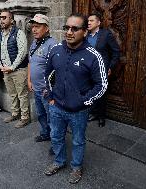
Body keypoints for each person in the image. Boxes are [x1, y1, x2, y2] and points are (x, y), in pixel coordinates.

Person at [43, 13, 107, 184]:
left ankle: (76, 167)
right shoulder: (56, 49)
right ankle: (59, 161)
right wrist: (50, 97)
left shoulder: (93, 55)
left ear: (85, 32)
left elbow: (101, 86)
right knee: (56, 136)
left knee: (78, 140)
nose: (69, 32)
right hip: (56, 107)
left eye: (75, 28)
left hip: (79, 111)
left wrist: (83, 102)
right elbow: (47, 74)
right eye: (66, 28)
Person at [0, 9, 30, 128]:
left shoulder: (19, 33)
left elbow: (22, 52)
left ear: (11, 19)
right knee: (12, 94)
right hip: (6, 71)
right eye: (0, 17)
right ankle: (15, 113)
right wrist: (0, 65)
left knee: (22, 94)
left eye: (4, 17)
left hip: (18, 70)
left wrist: (12, 67)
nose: (1, 20)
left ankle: (25, 118)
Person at [28, 14, 57, 153]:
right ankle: (45, 134)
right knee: (41, 114)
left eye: (37, 26)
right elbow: (30, 63)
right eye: (33, 26)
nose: (34, 29)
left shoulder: (53, 44)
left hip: (46, 90)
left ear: (46, 28)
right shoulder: (34, 43)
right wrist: (29, 80)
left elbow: (58, 70)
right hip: (36, 88)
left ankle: (56, 142)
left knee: (52, 118)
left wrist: (51, 90)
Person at [87, 13, 120, 126]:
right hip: (88, 70)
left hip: (102, 69)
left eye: (91, 20)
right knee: (90, 92)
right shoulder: (85, 36)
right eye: (88, 21)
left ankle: (101, 117)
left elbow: (116, 51)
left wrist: (110, 66)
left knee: (101, 94)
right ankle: (93, 113)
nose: (88, 23)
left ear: (98, 23)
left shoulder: (106, 34)